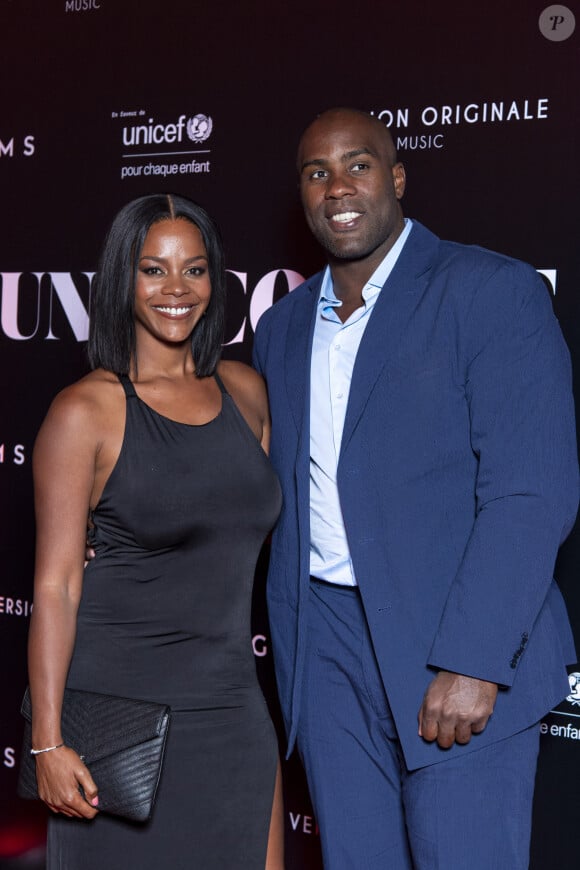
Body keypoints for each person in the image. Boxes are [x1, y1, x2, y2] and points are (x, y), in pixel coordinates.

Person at [253, 108, 578, 869]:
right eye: (316, 173)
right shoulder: (282, 329)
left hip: (453, 641)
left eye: (358, 165)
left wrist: (474, 660)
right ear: (303, 197)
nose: (338, 187)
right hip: (325, 648)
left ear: (396, 177)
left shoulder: (491, 291)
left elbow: (531, 494)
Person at [27, 193, 284, 869]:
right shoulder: (86, 410)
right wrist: (48, 742)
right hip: (118, 724)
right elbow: (55, 587)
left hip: (232, 712)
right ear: (123, 279)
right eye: (154, 269)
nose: (177, 289)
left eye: (195, 270)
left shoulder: (246, 392)